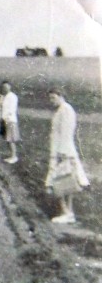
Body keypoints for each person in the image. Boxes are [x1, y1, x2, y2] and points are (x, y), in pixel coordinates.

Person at [44, 89, 90, 224]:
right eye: (50, 98)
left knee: (62, 181)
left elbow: (66, 132)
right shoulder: (61, 110)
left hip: (63, 151)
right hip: (59, 150)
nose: (51, 101)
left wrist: (61, 153)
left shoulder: (66, 110)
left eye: (53, 98)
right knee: (62, 181)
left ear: (61, 96)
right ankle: (67, 212)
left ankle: (67, 213)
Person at [0, 81, 20, 163]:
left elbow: (12, 109)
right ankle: (12, 155)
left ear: (10, 87)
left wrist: (6, 118)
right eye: (3, 87)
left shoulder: (12, 96)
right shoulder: (4, 97)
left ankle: (14, 156)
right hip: (5, 120)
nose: (5, 88)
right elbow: (1, 108)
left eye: (6, 86)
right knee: (8, 139)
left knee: (11, 139)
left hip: (10, 120)